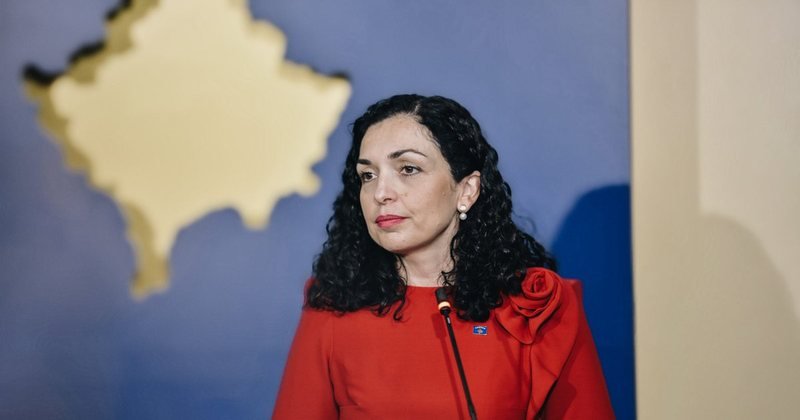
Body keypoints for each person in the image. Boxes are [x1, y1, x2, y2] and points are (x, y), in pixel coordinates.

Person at [272, 94, 614, 419]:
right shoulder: (332, 305)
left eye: (408, 169)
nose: (381, 193)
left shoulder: (538, 306)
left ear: (466, 190)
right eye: (368, 175)